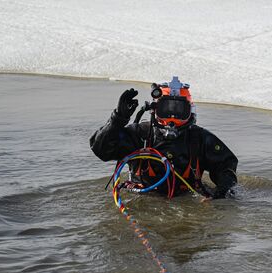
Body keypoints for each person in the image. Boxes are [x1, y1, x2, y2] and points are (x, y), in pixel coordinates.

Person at [90, 76, 238, 200]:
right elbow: (101, 150)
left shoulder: (199, 139)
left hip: (186, 198)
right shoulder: (140, 135)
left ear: (190, 111)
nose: (172, 117)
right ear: (155, 109)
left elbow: (226, 165)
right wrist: (118, 119)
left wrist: (219, 195)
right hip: (143, 199)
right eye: (166, 109)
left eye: (179, 110)